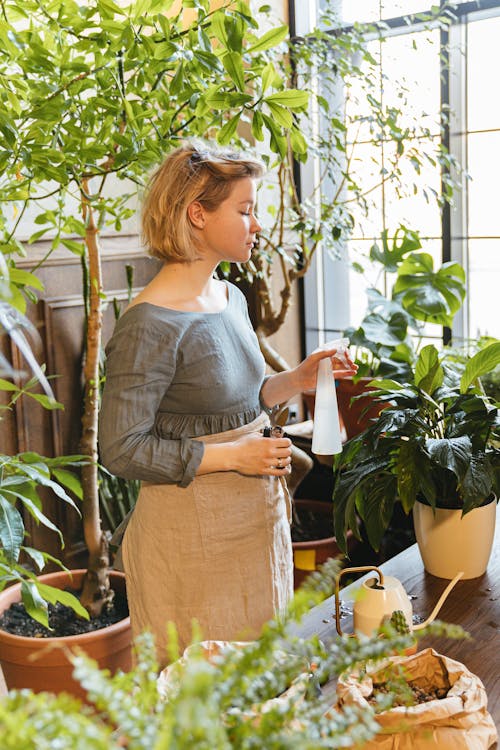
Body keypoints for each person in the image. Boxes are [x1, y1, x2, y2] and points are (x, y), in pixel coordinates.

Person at [98, 141, 357, 666]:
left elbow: (241, 401)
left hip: (255, 523)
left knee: (258, 682)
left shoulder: (229, 297)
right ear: (197, 213)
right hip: (190, 538)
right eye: (245, 210)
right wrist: (233, 457)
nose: (256, 224)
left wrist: (299, 379)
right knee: (203, 696)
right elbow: (121, 450)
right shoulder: (147, 326)